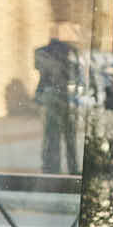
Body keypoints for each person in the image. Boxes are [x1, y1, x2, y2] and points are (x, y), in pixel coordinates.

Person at [33, 26, 79, 175]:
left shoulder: (42, 53)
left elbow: (42, 75)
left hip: (54, 96)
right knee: (66, 135)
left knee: (53, 134)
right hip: (61, 96)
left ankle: (52, 167)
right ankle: (66, 168)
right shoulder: (69, 52)